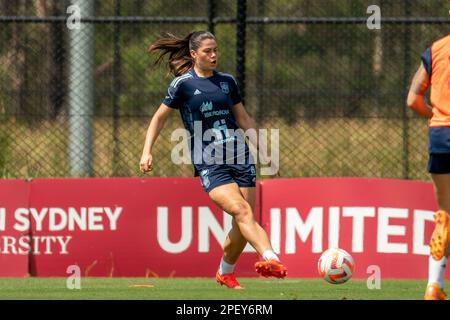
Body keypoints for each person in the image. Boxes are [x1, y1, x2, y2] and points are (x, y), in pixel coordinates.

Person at [140, 31, 287, 289]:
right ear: (194, 54)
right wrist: (146, 150)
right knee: (242, 211)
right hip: (210, 162)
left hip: (241, 157)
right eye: (208, 51)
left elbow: (242, 118)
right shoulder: (182, 85)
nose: (214, 55)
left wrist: (263, 150)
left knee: (243, 222)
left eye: (215, 50)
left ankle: (225, 272)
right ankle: (271, 257)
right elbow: (159, 118)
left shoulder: (227, 82)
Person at [407, 33, 450, 300]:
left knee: (445, 213)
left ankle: (434, 285)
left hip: (440, 136)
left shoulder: (436, 49)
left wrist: (435, 118)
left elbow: (413, 99)